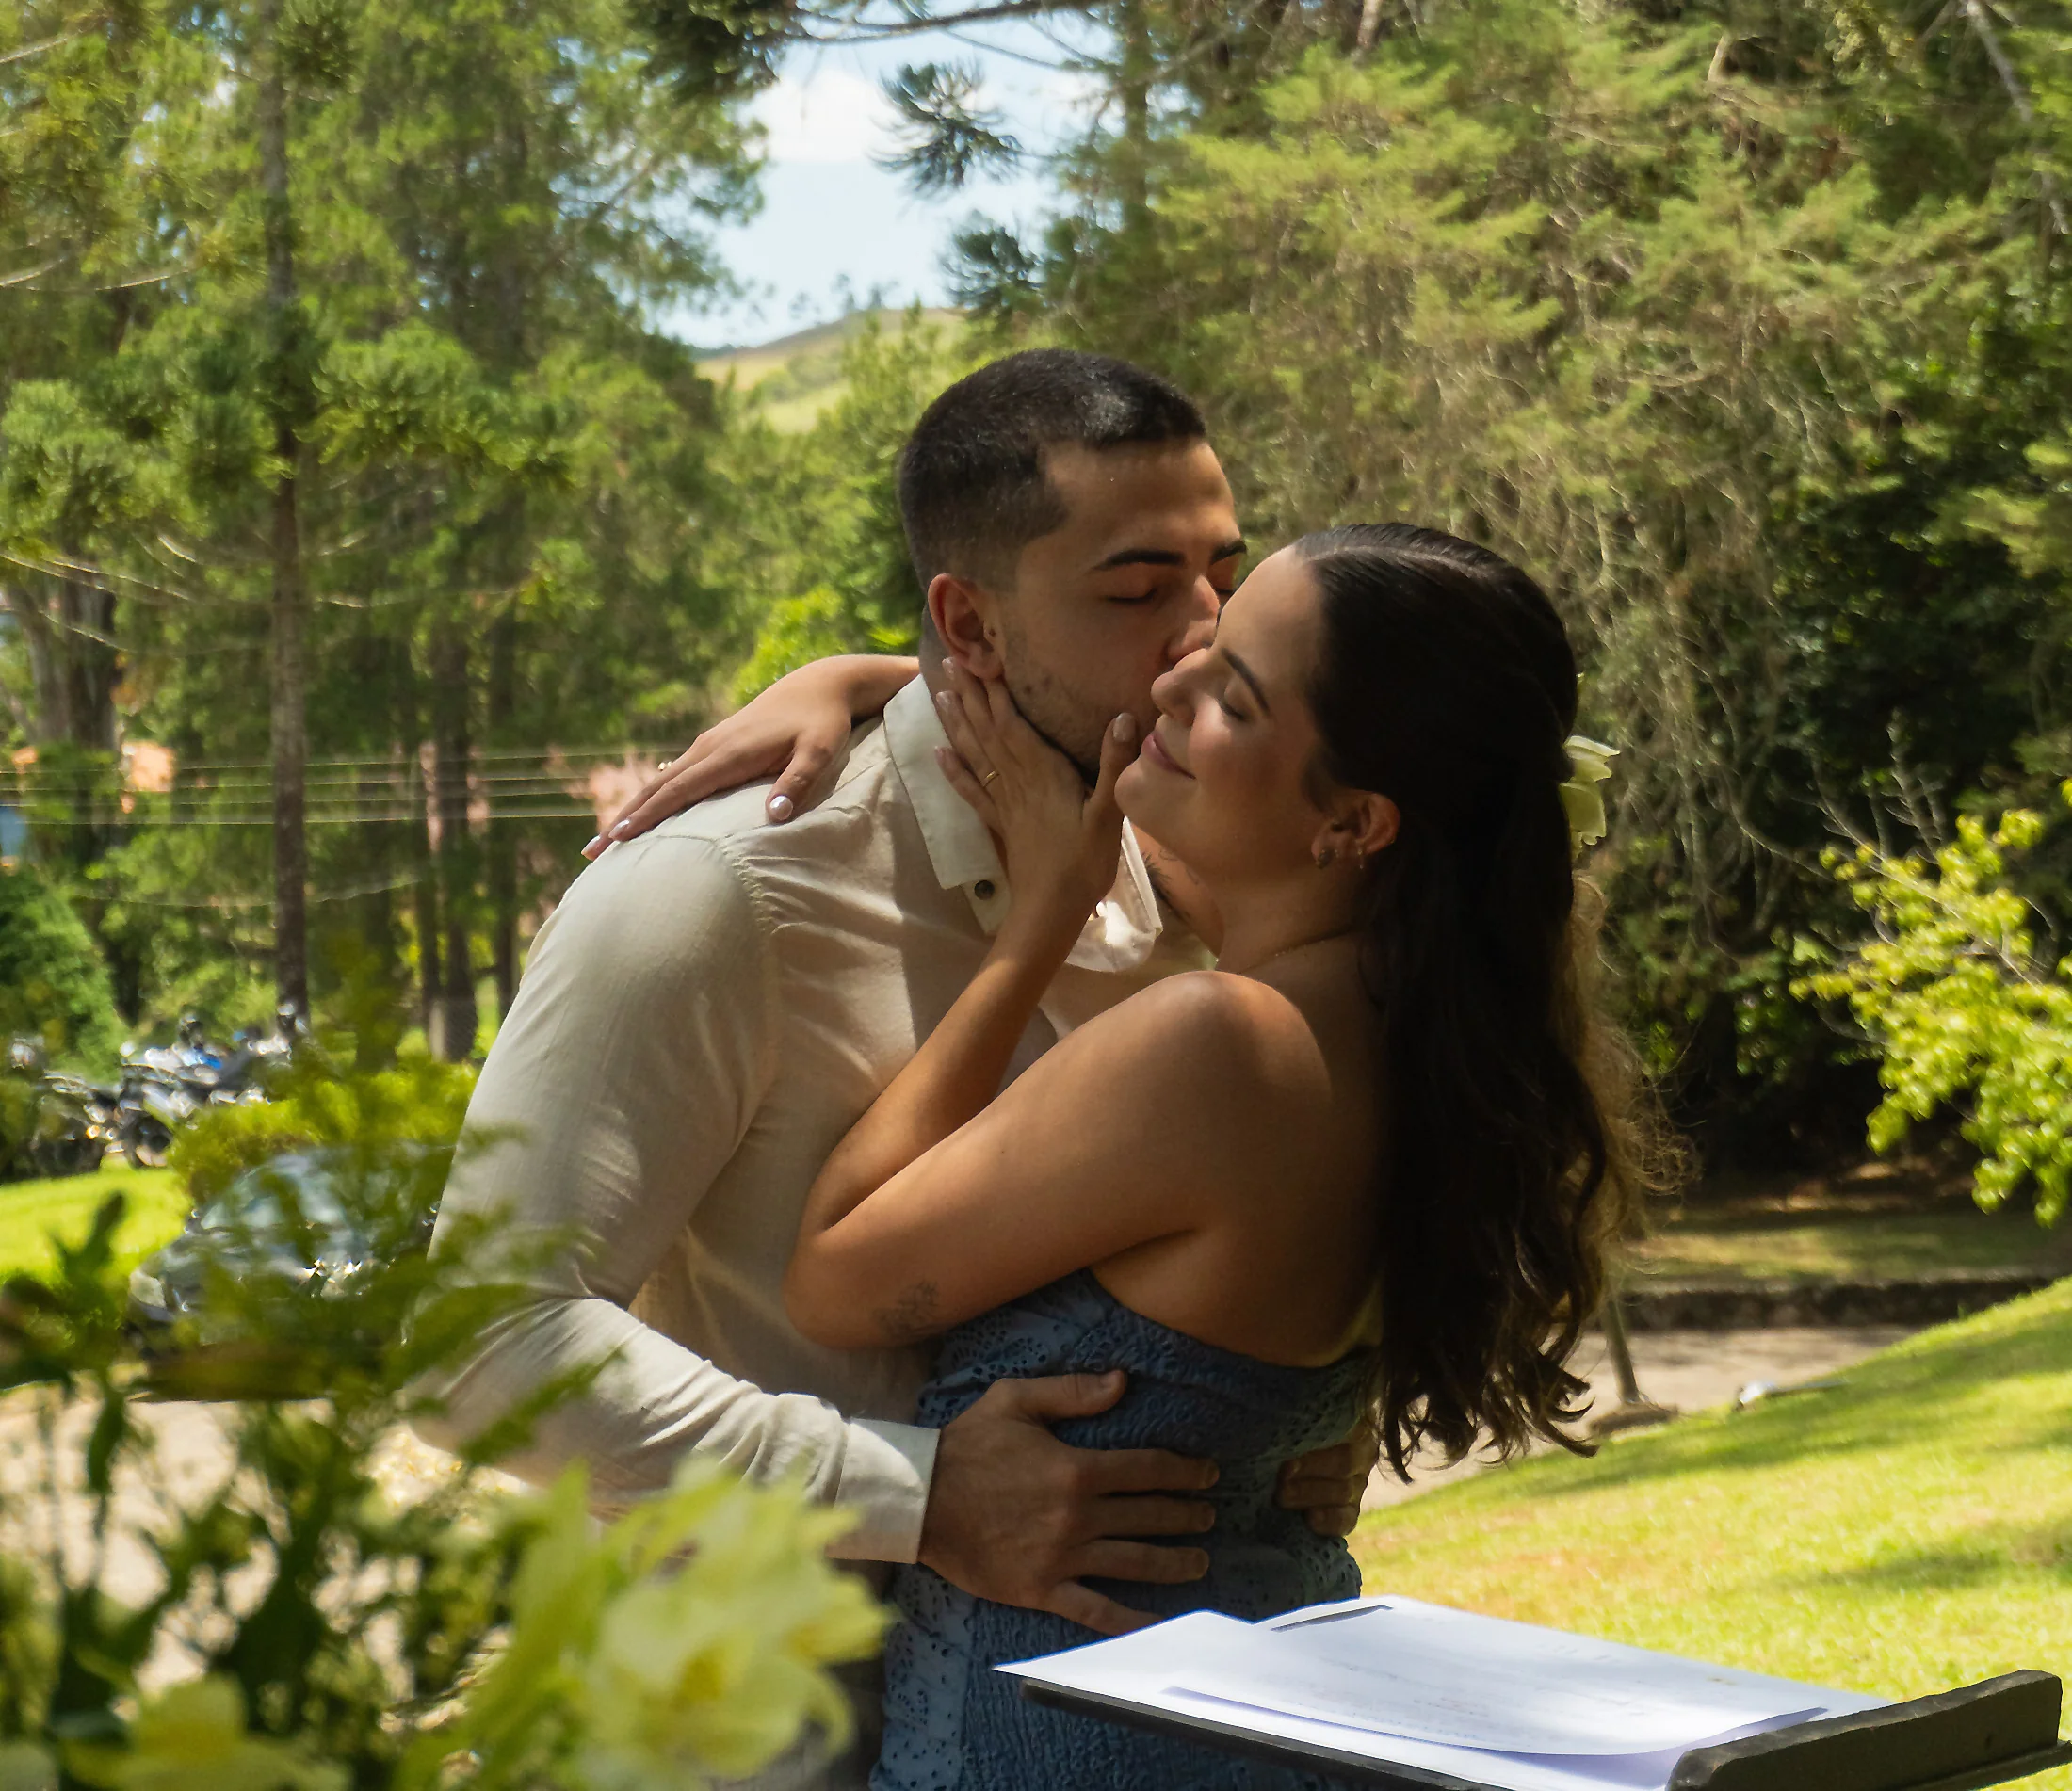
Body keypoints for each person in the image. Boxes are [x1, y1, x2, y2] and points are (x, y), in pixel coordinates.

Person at [417, 349, 1377, 1788]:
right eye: (1137, 591)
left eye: (1221, 579)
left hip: (1120, 1720)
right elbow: (480, 1341)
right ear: (968, 621)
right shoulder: (720, 891)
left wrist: (1296, 1417)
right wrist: (918, 1495)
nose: (1198, 642)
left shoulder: (1186, 851)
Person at [769, 524, 1660, 1788]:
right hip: (1255, 1719)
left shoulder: (1221, 1045)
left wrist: (1037, 924)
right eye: (1206, 641)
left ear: (1353, 822)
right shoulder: (1423, 1036)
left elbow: (831, 1280)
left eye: (1233, 696)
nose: (1172, 679)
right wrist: (859, 682)